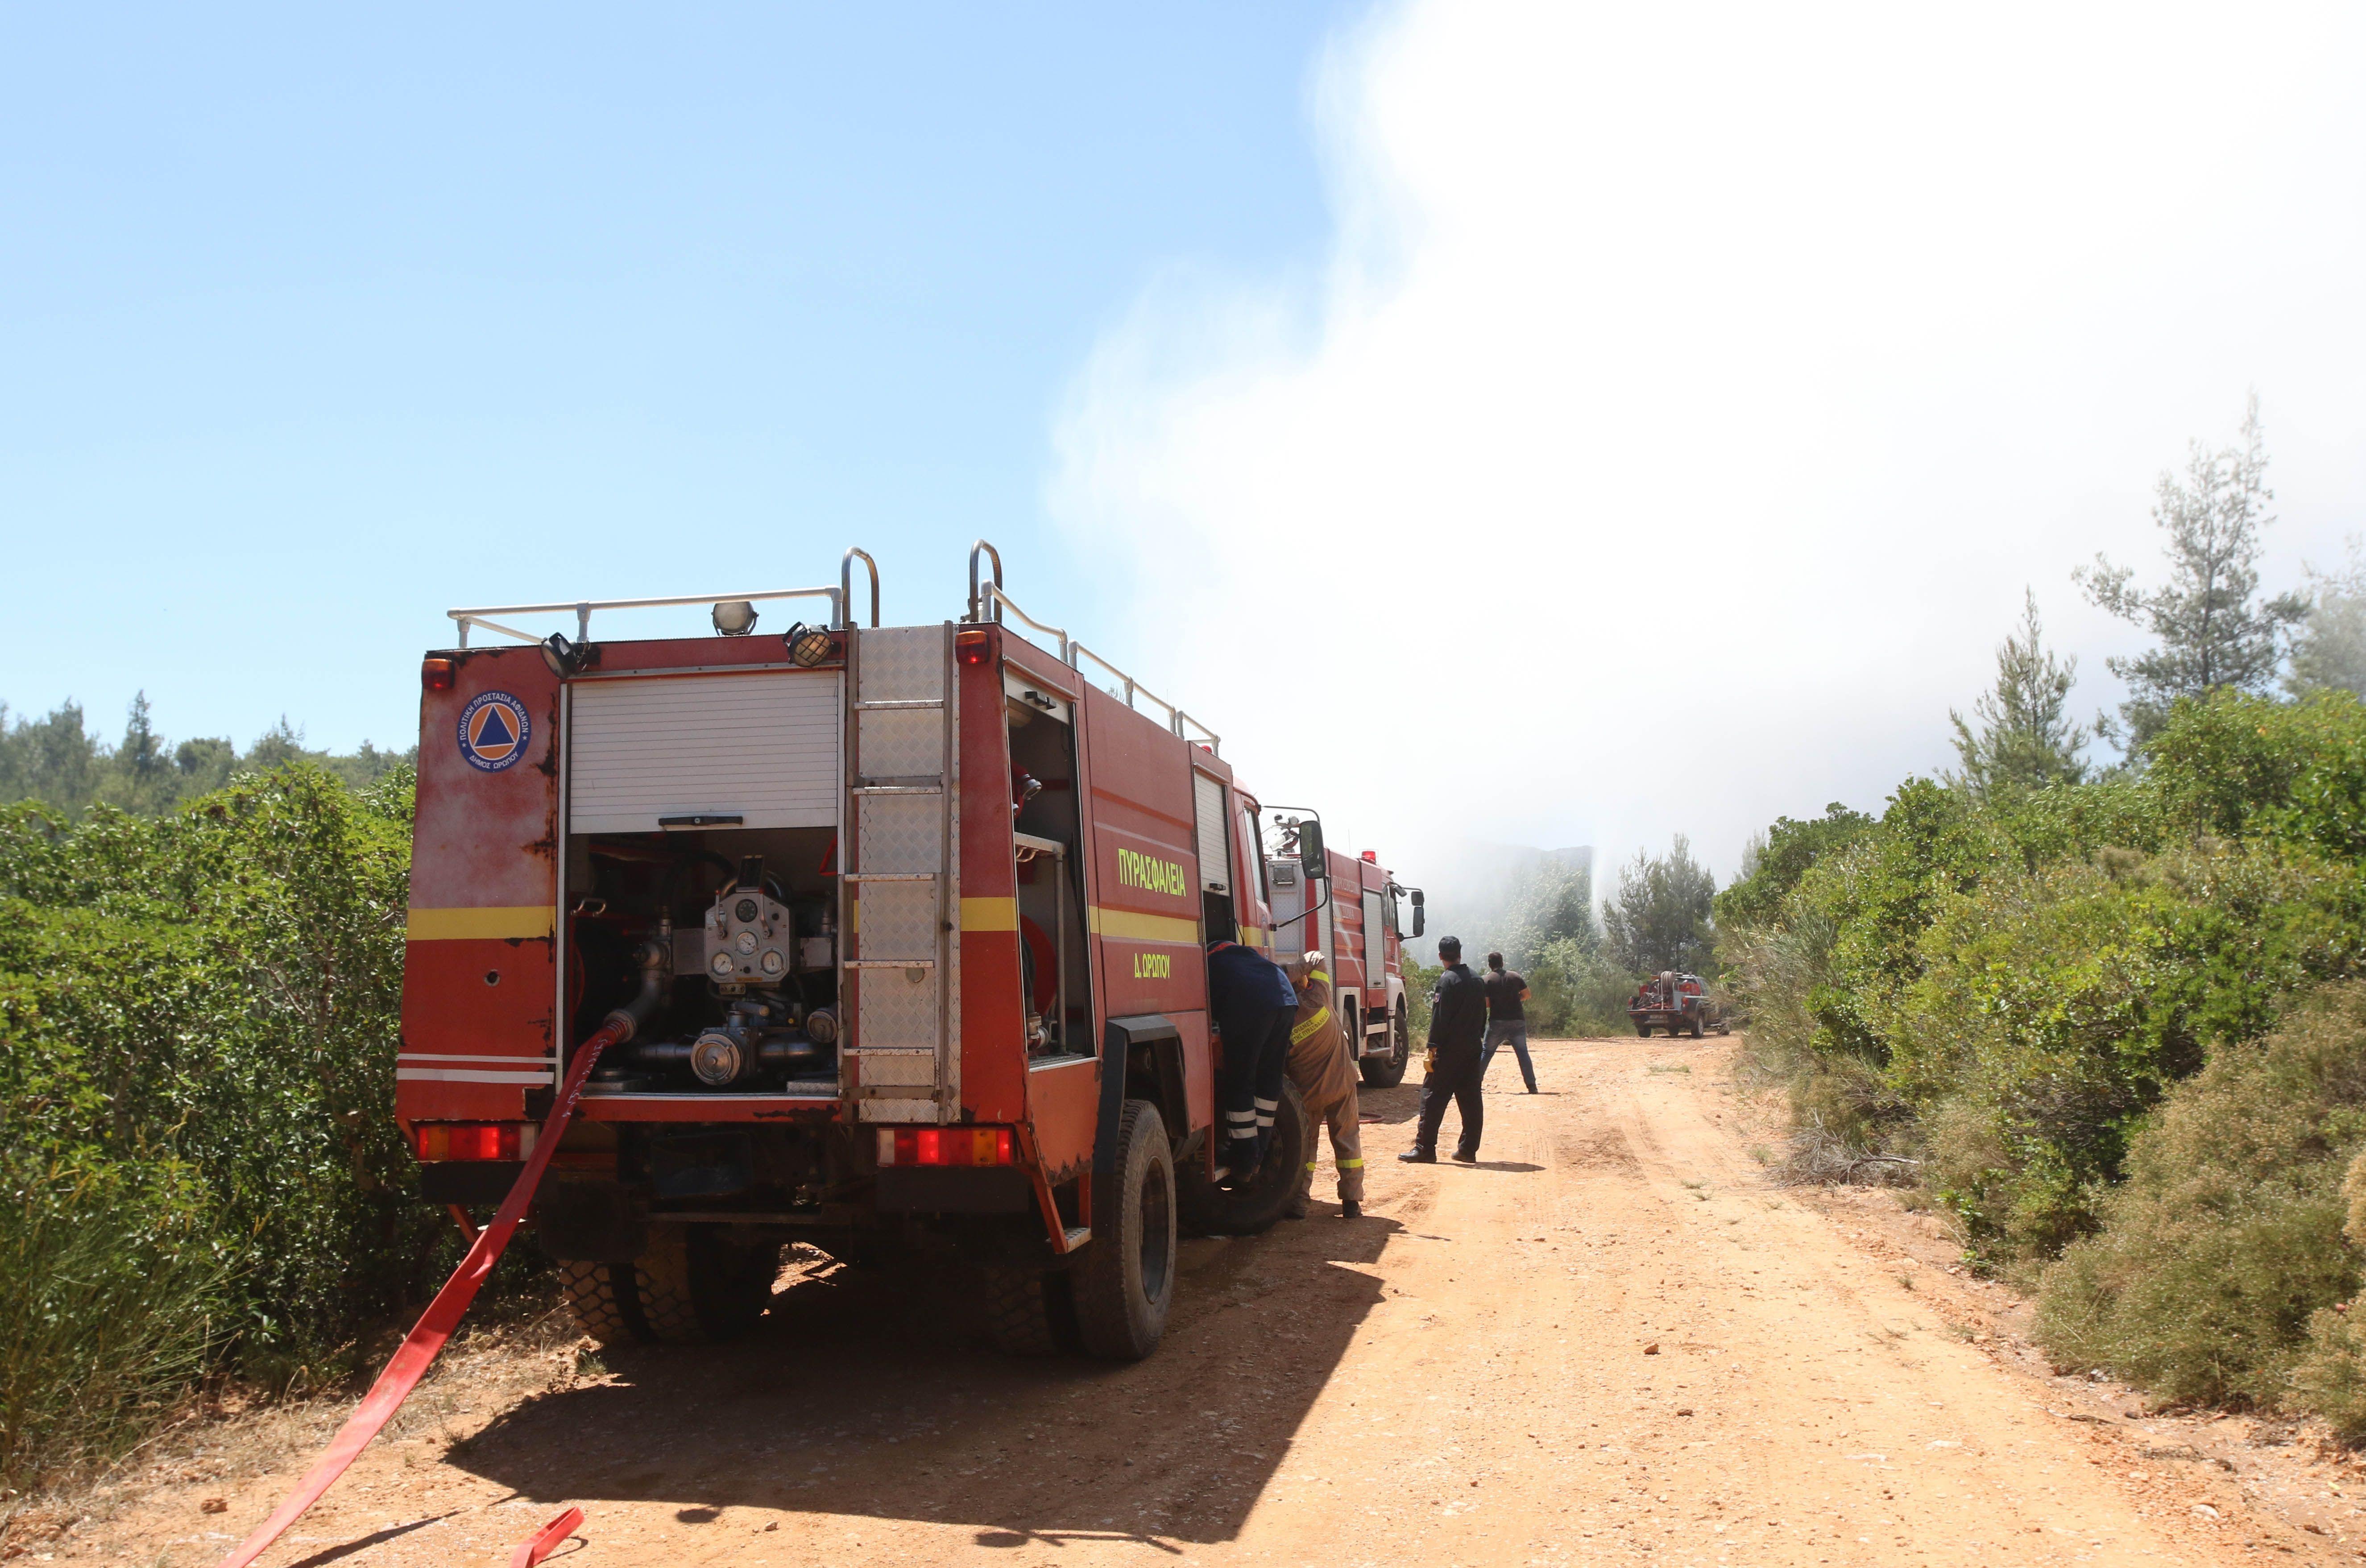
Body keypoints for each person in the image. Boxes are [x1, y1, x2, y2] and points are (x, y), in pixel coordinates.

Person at [1205, 937, 1299, 1187]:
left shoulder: (1207, 963)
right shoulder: (1245, 955)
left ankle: (1244, 1161)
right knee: (1269, 1081)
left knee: (1241, 1081)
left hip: (1251, 1004)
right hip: (1286, 999)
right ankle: (1259, 1155)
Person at [1281, 950, 1365, 1220]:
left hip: (1309, 1096)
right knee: (1348, 1143)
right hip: (1342, 1084)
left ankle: (1299, 1204)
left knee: (1307, 1151)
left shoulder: (1283, 1025)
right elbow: (1317, 958)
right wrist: (1292, 970)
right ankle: (1351, 1202)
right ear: (1303, 984)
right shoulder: (1319, 998)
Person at [1400, 935, 1489, 1164]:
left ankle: (1425, 1149)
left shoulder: (1447, 981)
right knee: (1471, 1100)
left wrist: (1433, 1048)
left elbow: (1439, 1019)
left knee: (1432, 1099)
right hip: (1472, 1048)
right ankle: (1468, 1150)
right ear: (1460, 953)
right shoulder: (1477, 979)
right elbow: (1483, 1016)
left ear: (1440, 956)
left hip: (1450, 1051)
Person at [1479, 951, 1537, 1093]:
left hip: (1497, 1022)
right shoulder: (1515, 976)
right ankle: (1532, 1086)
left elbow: (1487, 1004)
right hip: (1517, 1020)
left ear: (1489, 965)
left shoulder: (1487, 980)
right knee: (1522, 1053)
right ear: (1503, 963)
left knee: (1487, 1052)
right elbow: (1527, 995)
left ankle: (1476, 1083)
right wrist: (1515, 999)